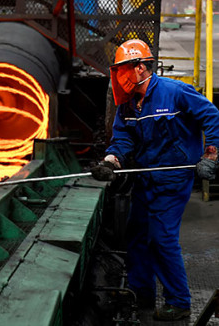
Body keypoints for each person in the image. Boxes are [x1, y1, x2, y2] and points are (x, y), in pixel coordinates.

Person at [91, 39, 219, 321]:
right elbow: (122, 140)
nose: (119, 75)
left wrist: (211, 155)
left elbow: (212, 115)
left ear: (139, 68)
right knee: (137, 237)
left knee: (162, 237)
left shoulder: (175, 92)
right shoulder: (128, 106)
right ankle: (141, 293)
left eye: (124, 69)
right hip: (145, 179)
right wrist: (111, 162)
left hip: (173, 179)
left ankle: (179, 301)